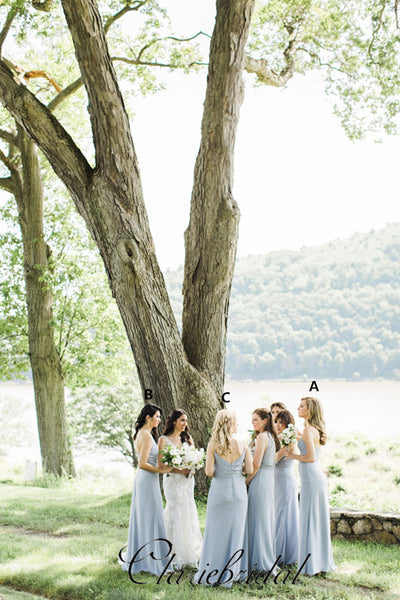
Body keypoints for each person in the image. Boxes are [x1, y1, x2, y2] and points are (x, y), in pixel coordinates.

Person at [195, 409, 253, 586]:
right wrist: (237, 468)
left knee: (215, 531)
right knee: (237, 531)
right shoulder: (243, 442)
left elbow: (209, 472)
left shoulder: (213, 444)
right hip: (239, 491)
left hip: (220, 489)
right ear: (232, 423)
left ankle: (212, 571)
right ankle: (233, 573)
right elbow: (249, 470)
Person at [284, 397, 336, 575]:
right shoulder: (311, 430)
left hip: (312, 477)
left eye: (302, 406)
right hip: (313, 478)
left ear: (310, 410)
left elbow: (310, 457)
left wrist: (292, 456)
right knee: (314, 518)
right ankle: (317, 562)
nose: (298, 408)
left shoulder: (308, 430)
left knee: (310, 517)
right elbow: (309, 446)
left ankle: (313, 564)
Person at [121, 404, 172, 576]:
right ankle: (150, 560)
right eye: (157, 416)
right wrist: (162, 470)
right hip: (146, 481)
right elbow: (142, 464)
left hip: (146, 481)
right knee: (149, 518)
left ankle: (145, 555)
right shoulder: (147, 436)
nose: (159, 420)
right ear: (148, 417)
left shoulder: (141, 434)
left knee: (147, 518)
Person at [158, 409, 202, 569]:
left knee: (188, 510)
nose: (185, 424)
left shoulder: (187, 438)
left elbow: (195, 457)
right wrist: (178, 470)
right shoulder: (164, 440)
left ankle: (190, 550)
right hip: (172, 481)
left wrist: (192, 466)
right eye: (182, 420)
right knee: (174, 510)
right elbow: (161, 465)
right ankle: (171, 551)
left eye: (186, 420)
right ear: (174, 421)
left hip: (187, 481)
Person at [246, 408, 280, 573]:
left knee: (258, 518)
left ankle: (259, 561)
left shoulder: (261, 437)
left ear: (265, 421)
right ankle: (262, 557)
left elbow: (256, 464)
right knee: (263, 518)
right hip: (268, 480)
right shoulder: (271, 437)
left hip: (259, 480)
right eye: (252, 420)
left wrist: (246, 481)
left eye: (255, 420)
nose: (253, 423)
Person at [274, 409, 299, 566]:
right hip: (279, 478)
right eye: (276, 422)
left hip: (284, 478)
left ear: (287, 424)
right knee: (279, 512)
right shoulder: (283, 437)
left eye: (281, 423)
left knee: (282, 514)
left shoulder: (286, 438)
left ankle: (280, 552)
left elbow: (274, 460)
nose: (277, 425)